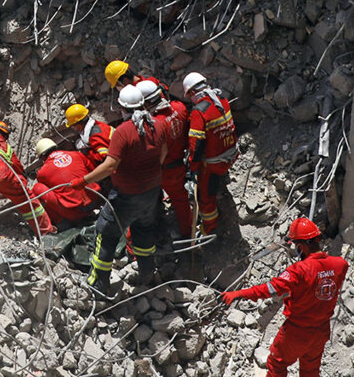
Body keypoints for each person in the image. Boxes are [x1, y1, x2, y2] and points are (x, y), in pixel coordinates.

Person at [71, 84, 169, 299]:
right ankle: (147, 274)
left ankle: (97, 285)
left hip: (126, 195)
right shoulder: (158, 125)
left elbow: (110, 166)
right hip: (151, 192)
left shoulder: (123, 132)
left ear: (122, 108)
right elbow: (163, 152)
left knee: (105, 233)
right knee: (144, 231)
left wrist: (83, 181)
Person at [221, 218, 349, 377]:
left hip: (297, 332)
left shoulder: (299, 271)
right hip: (321, 332)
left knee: (277, 364)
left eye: (297, 246)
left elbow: (268, 289)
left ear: (301, 246)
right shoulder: (340, 264)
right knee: (310, 371)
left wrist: (239, 293)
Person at [183, 71, 238, 237]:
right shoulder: (221, 100)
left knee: (205, 197)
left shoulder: (199, 111)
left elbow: (196, 145)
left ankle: (209, 228)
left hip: (214, 163)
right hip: (231, 153)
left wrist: (193, 168)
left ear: (193, 92)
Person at [140, 79, 193, 239]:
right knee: (181, 201)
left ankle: (185, 234)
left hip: (167, 171)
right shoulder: (179, 107)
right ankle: (186, 230)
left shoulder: (155, 125)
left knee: (149, 201)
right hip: (181, 161)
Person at [29, 138, 97, 228]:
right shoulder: (76, 154)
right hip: (96, 200)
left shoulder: (43, 173)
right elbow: (93, 170)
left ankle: (61, 223)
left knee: (38, 188)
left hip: (75, 213)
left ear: (42, 157)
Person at [64, 104, 113, 168]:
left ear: (79, 123)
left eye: (73, 126)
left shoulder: (95, 135)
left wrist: (86, 153)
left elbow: (103, 158)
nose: (73, 128)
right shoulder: (95, 125)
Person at [105, 59, 170, 97]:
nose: (118, 88)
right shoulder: (151, 80)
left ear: (125, 81)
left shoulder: (134, 97)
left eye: (117, 84)